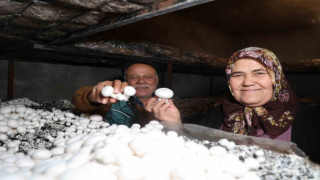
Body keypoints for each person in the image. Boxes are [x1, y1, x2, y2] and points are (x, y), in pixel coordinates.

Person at [150, 47, 320, 164]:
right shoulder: (218, 114)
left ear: (277, 78)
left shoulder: (310, 120)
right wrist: (174, 125)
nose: (247, 82)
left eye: (259, 73)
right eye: (238, 74)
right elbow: (194, 154)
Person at [72, 61, 179, 127]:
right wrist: (92, 96)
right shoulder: (113, 102)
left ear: (156, 80)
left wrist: (175, 125)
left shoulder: (166, 107)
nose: (141, 81)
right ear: (126, 80)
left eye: (147, 77)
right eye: (134, 77)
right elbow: (79, 101)